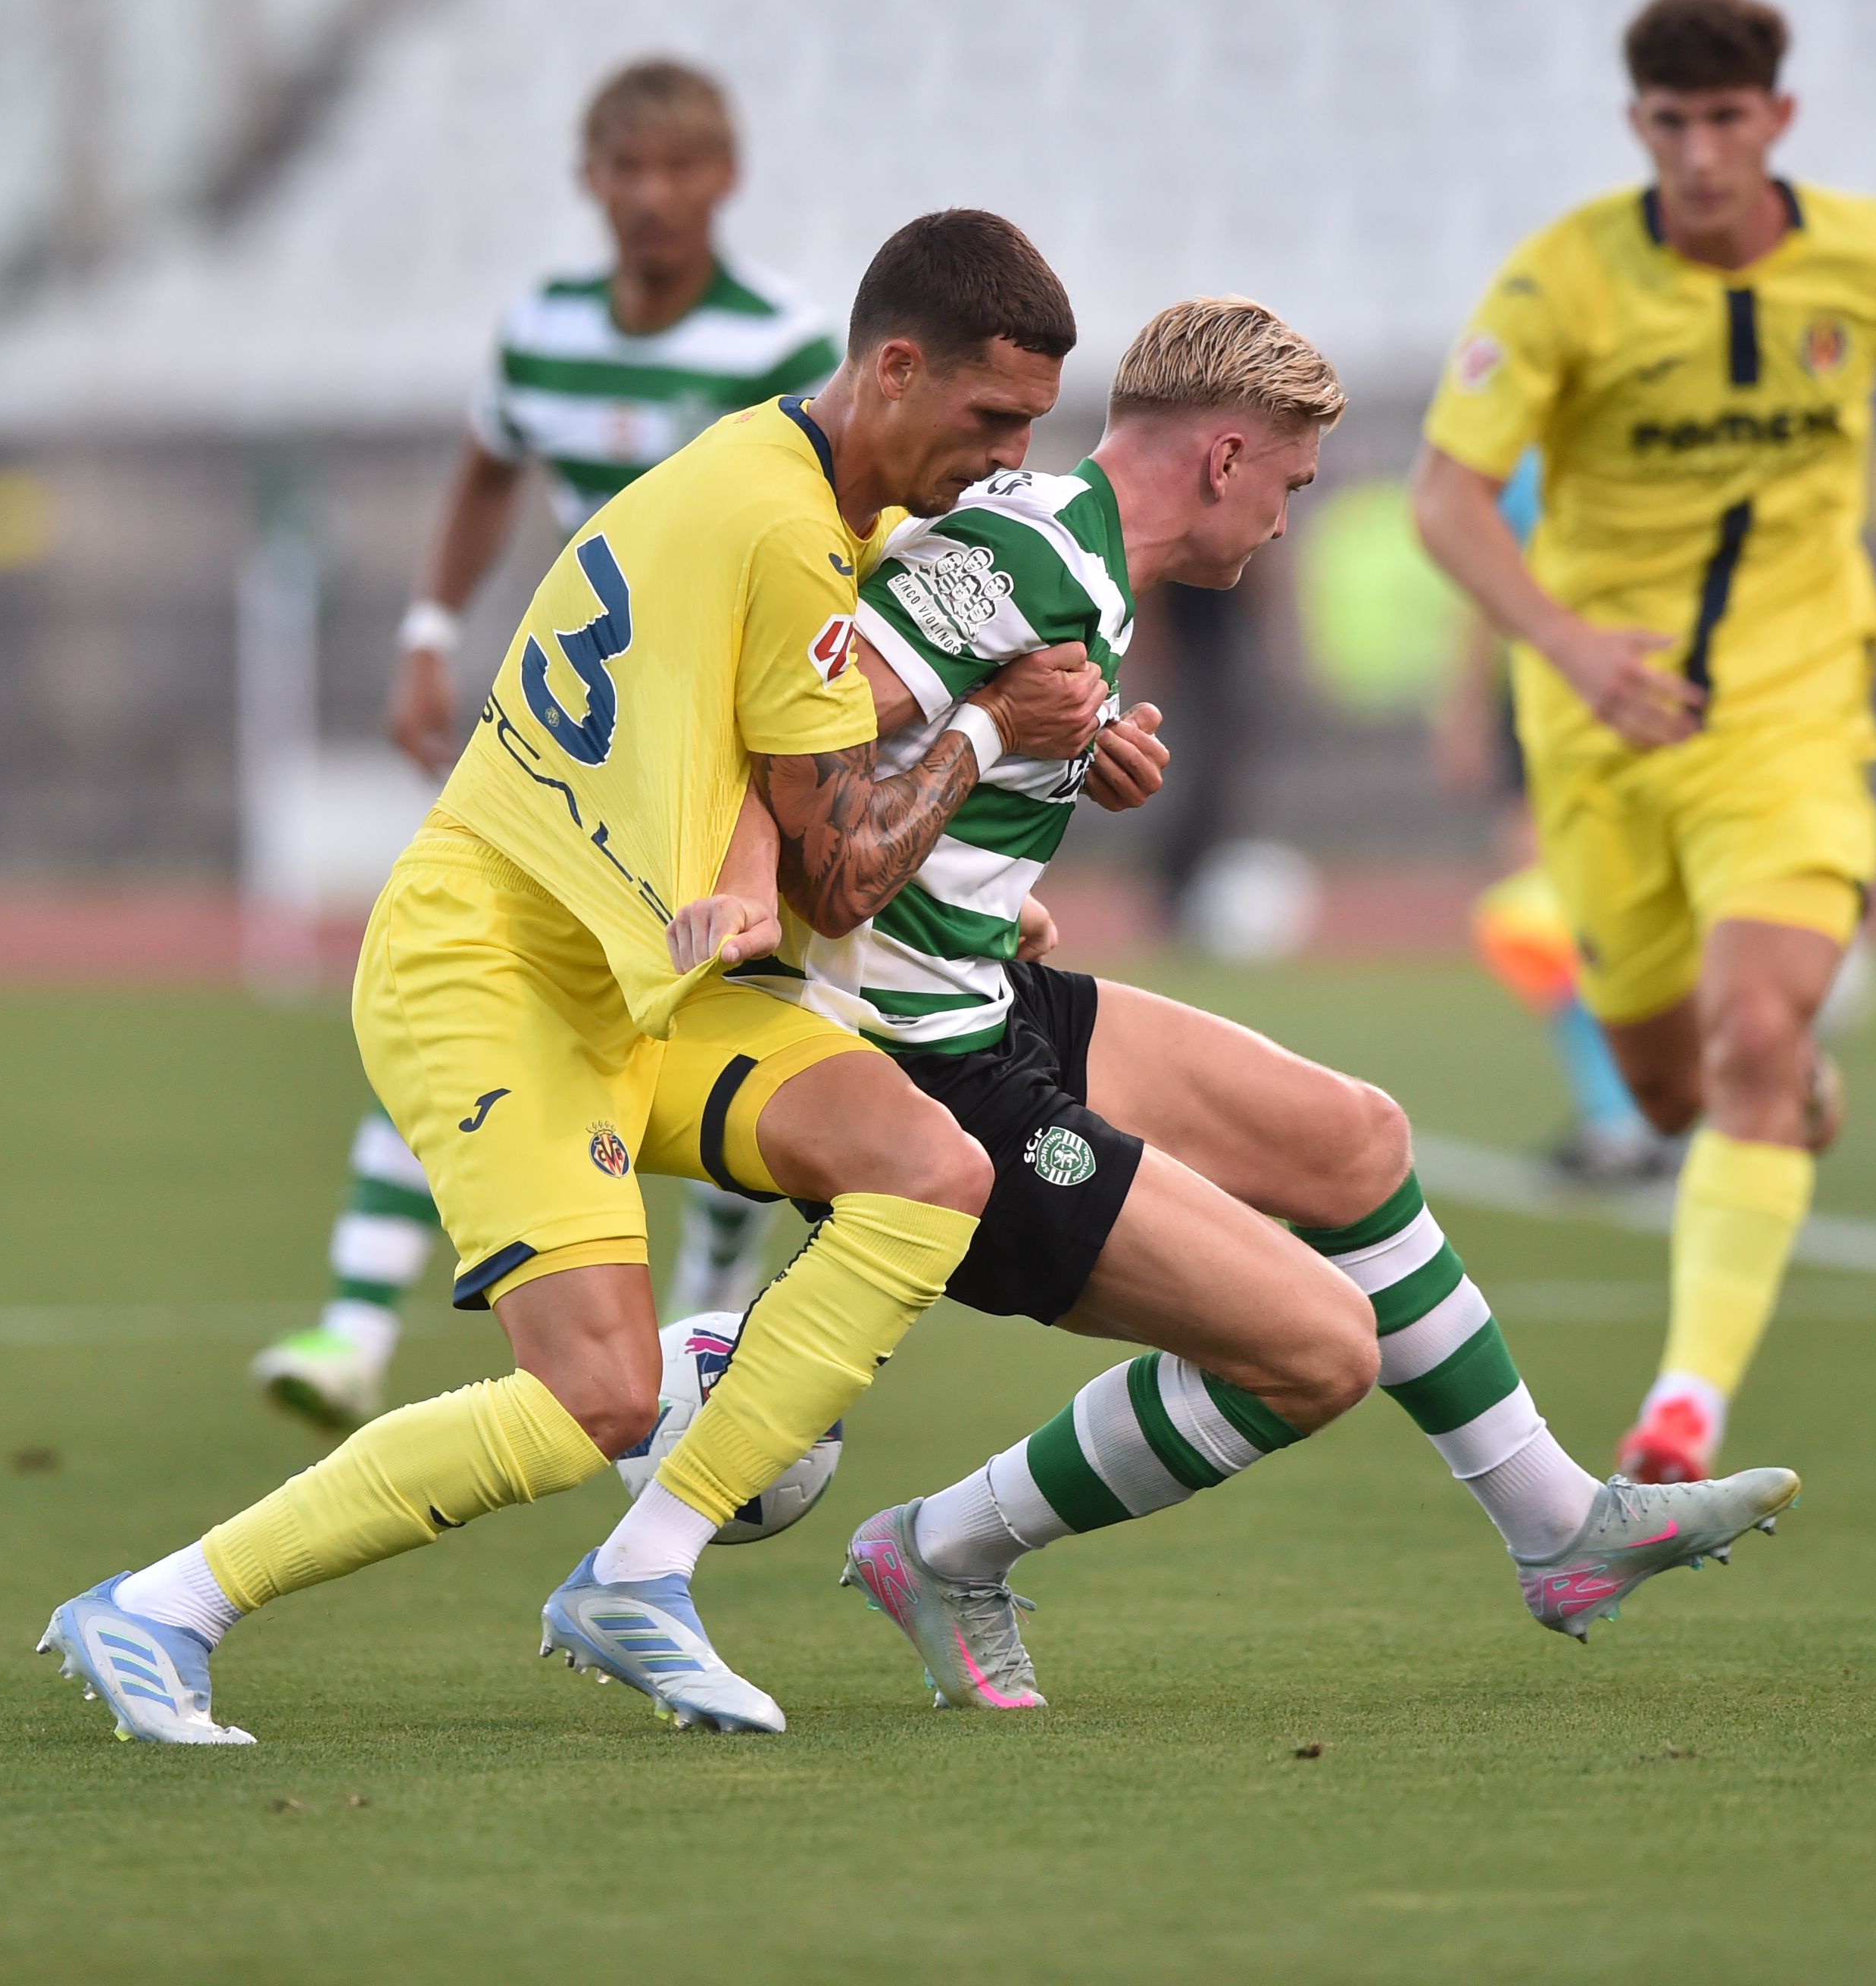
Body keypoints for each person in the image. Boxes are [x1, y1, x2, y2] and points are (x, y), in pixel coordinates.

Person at [43, 210, 1110, 1744]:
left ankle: (642, 1570)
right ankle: (164, 1605)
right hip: (491, 969)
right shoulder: (784, 530)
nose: (1012, 456)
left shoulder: (793, 492)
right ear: (891, 368)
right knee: (594, 1399)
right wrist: (1000, 731)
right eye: (993, 414)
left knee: (926, 1167)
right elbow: (840, 871)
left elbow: (769, 778)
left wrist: (1011, 825)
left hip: (632, 976)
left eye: (1032, 424)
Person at [644, 297, 1801, 1710]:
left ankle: (1558, 1529)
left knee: (1354, 1140)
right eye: (1290, 486)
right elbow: (788, 720)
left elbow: (914, 729)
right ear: (1224, 458)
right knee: (1316, 1352)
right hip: (915, 1075)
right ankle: (942, 1550)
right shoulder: (1026, 555)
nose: (1286, 522)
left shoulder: (1065, 546)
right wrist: (799, 868)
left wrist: (1035, 802)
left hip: (976, 995)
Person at [1409, 0, 1876, 1487]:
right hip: (1599, 727)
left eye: (1726, 118)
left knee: (1749, 1032)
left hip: (1791, 707)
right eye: (1670, 122)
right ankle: (1784, 1096)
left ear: (1778, 117)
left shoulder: (1874, 258)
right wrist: (1564, 646)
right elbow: (1443, 497)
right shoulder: (1561, 282)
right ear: (1636, 124)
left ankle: (1685, 1406)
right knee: (1673, 1090)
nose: (1698, 153)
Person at [250, 60, 838, 1433]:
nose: (652, 196)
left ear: (726, 179)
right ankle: (351, 1329)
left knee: (724, 1011)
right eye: (627, 169)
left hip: (712, 739)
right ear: (588, 181)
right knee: (471, 984)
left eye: (679, 169)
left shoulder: (778, 344)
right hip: (572, 728)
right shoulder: (543, 329)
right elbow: (485, 470)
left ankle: (707, 1312)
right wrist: (425, 631)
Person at [1434, 454, 1674, 1183]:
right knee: (1544, 915)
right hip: (1544, 705)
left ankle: (1660, 1108)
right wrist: (1468, 706)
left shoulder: (1653, 437)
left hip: (1642, 690)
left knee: (1641, 909)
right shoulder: (1516, 452)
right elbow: (1485, 583)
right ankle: (1615, 1113)